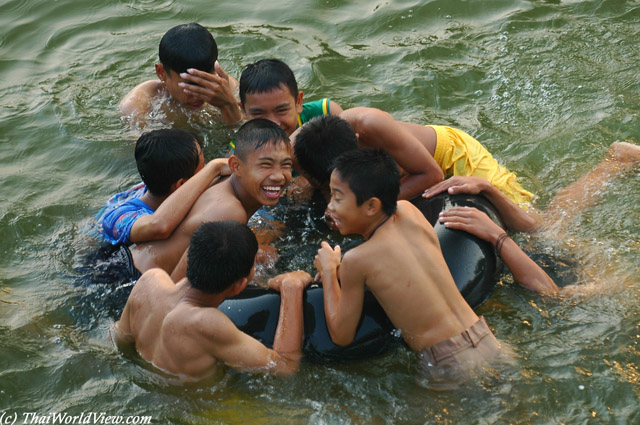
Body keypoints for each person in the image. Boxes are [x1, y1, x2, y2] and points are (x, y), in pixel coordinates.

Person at [313, 149, 557, 389]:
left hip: (446, 360)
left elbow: (341, 335)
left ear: (371, 206)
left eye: (337, 197)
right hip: (487, 339)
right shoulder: (410, 212)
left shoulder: (357, 260)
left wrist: (329, 269)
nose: (330, 207)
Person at [113, 220, 312, 381]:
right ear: (239, 286)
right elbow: (284, 366)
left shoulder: (149, 281)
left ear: (190, 258)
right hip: (191, 408)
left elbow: (120, 338)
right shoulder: (205, 322)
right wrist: (291, 288)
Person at [128, 118, 293, 281]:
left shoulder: (226, 180)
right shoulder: (230, 211)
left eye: (286, 165)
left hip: (133, 262)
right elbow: (181, 292)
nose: (279, 176)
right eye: (265, 165)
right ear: (235, 166)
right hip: (130, 279)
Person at [293, 110, 534, 205]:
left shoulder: (369, 125)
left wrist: (368, 205)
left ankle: (572, 189)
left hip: (450, 156)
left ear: (357, 142)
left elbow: (432, 175)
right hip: (399, 168)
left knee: (527, 218)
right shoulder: (295, 149)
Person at [424, 141, 640, 233]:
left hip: (457, 155)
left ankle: (619, 161)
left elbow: (428, 173)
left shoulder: (388, 128)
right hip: (448, 153)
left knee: (542, 229)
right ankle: (618, 161)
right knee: (547, 226)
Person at [95, 128, 229, 246]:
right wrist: (214, 168)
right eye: (204, 167)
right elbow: (159, 226)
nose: (206, 170)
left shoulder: (157, 180)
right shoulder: (119, 216)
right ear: (181, 185)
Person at [120, 23, 242, 128]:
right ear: (161, 73)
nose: (197, 96)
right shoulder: (139, 104)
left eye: (204, 83)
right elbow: (144, 150)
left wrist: (228, 105)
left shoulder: (228, 89)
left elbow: (250, 143)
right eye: (189, 86)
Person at [237, 58, 344, 139]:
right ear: (244, 111)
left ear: (298, 102)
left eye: (281, 111)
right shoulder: (242, 150)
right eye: (258, 114)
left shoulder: (325, 114)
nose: (273, 123)